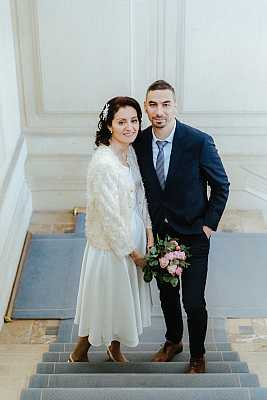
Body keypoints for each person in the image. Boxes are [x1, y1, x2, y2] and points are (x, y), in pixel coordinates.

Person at [133, 80, 230, 373]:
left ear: (175, 106)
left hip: (194, 235)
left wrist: (208, 226)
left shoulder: (198, 141)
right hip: (160, 236)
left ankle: (198, 355)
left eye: (165, 104)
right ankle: (173, 341)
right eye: (152, 104)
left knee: (193, 301)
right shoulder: (138, 142)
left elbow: (221, 185)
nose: (158, 111)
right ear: (146, 106)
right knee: (167, 295)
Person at [69, 96, 153, 363]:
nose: (130, 127)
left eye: (134, 121)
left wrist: (149, 233)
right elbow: (109, 218)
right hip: (112, 245)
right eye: (122, 122)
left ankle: (114, 347)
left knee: (123, 298)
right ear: (109, 125)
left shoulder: (131, 153)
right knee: (104, 298)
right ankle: (80, 352)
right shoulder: (103, 165)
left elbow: (141, 196)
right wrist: (133, 253)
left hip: (135, 233)